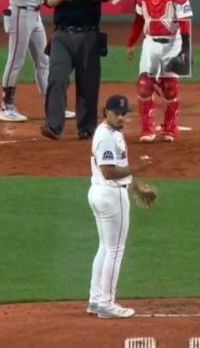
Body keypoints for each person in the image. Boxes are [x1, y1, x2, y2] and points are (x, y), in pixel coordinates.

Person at [86, 94, 152, 319]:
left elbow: (114, 171)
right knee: (115, 250)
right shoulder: (106, 136)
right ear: (106, 112)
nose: (122, 117)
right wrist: (139, 168)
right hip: (110, 196)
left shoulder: (112, 133)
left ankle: (96, 300)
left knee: (105, 248)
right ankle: (106, 303)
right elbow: (109, 172)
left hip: (102, 192)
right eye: (118, 113)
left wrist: (134, 186)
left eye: (125, 114)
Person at [41, 0, 111, 140]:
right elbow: (48, 1)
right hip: (62, 36)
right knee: (57, 78)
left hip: (88, 36)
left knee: (88, 83)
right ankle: (53, 125)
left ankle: (87, 127)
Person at [125, 0, 193, 143]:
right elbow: (139, 21)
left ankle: (170, 128)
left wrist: (185, 49)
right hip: (151, 43)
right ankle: (147, 129)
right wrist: (131, 43)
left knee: (170, 88)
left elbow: (185, 23)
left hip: (174, 43)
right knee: (144, 86)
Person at [0, 0, 51, 122]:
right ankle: (6, 107)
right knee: (15, 61)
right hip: (20, 14)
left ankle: (51, 105)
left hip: (36, 15)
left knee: (44, 60)